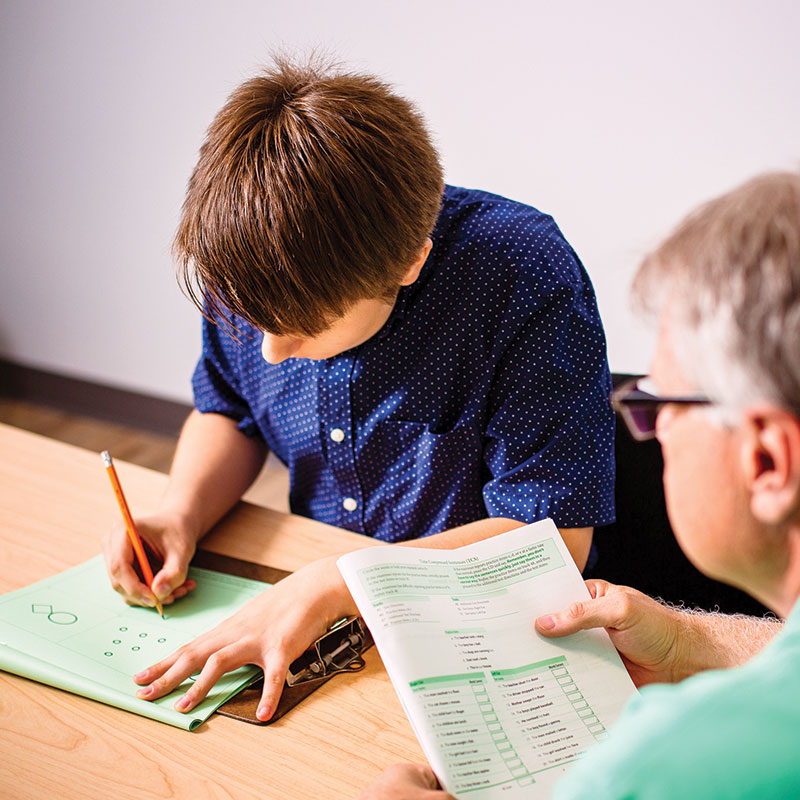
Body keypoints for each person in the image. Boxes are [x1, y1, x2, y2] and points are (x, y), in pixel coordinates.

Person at [102, 56, 615, 721]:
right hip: (323, 609)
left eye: (302, 329)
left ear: (410, 263)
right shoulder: (252, 260)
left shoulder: (520, 274)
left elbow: (554, 538)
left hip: (486, 625)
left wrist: (342, 579)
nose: (269, 351)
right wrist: (181, 511)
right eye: (252, 320)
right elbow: (229, 410)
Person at [357, 171, 800, 799]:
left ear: (766, 460)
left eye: (658, 402)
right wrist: (689, 642)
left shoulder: (671, 765)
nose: (650, 428)